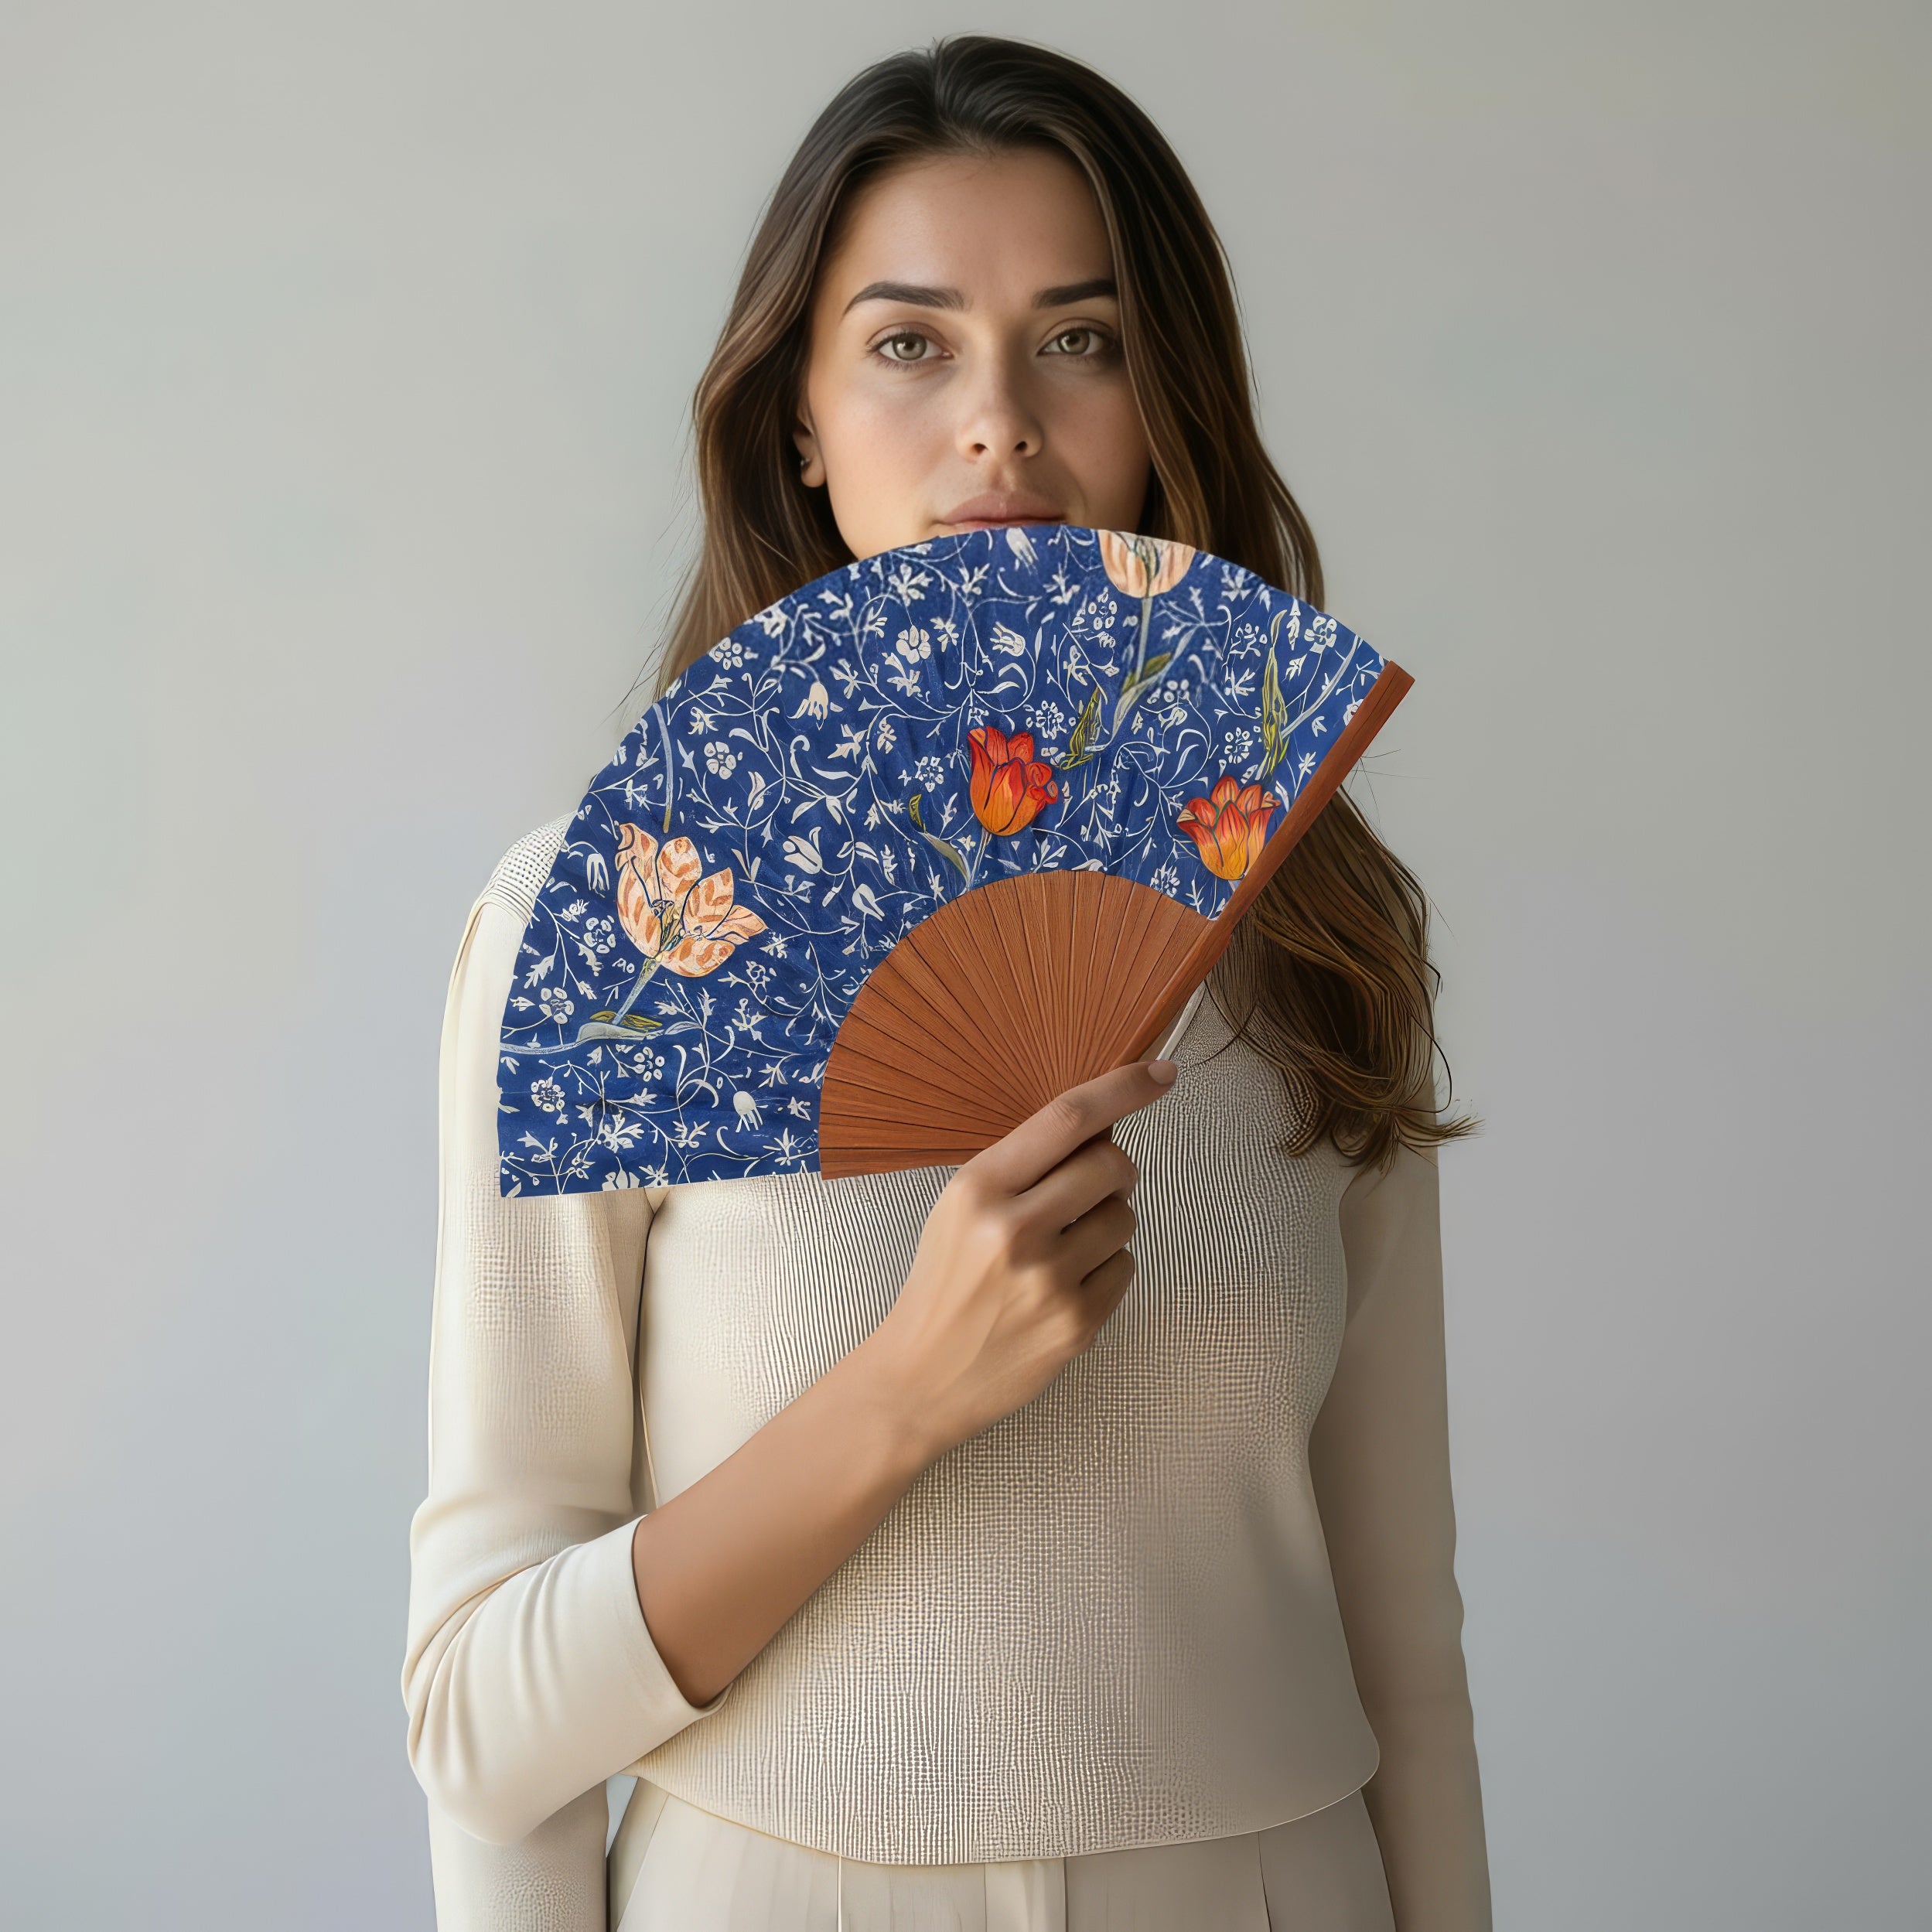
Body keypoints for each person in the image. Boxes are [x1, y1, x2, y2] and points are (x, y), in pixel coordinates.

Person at [403, 33, 1493, 1932]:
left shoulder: (1313, 936)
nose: (1001, 422)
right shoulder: (619, 929)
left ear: (1169, 403)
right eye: (909, 343)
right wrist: (902, 1392)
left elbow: (1407, 1655)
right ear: (800, 420)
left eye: (1082, 338)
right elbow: (485, 1727)